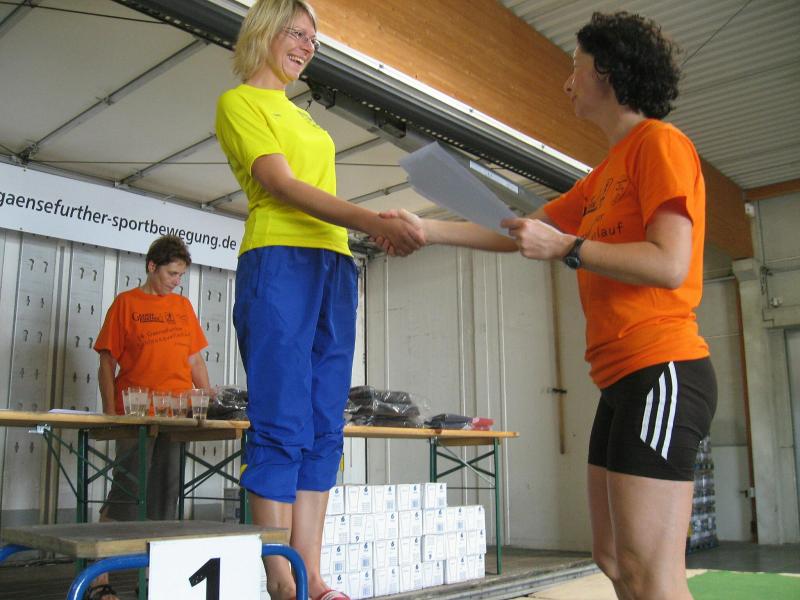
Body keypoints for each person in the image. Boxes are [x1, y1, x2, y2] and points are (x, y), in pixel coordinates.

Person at [379, 12, 716, 600]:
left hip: (662, 368)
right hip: (620, 378)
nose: (567, 82)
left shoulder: (661, 144)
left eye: (576, 67)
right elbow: (516, 230)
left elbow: (670, 263)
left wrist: (568, 248)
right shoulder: (600, 178)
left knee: (649, 568)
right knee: (613, 557)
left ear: (607, 71)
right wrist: (426, 230)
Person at [214, 2, 423, 600]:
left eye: (313, 39)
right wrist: (373, 220)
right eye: (297, 33)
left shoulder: (303, 115)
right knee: (281, 416)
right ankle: (281, 577)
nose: (307, 46)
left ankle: (312, 573)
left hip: (333, 262)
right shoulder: (240, 102)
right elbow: (280, 184)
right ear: (264, 30)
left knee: (325, 422)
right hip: (279, 260)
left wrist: (360, 234)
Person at [88, 234, 210, 600]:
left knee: (166, 496)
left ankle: (158, 579)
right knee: (126, 494)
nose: (177, 281)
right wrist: (111, 413)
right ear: (151, 267)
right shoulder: (126, 304)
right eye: (172, 273)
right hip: (136, 414)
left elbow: (194, 360)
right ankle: (99, 581)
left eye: (181, 275)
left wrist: (209, 400)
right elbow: (106, 362)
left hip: (177, 415)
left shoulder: (183, 307)